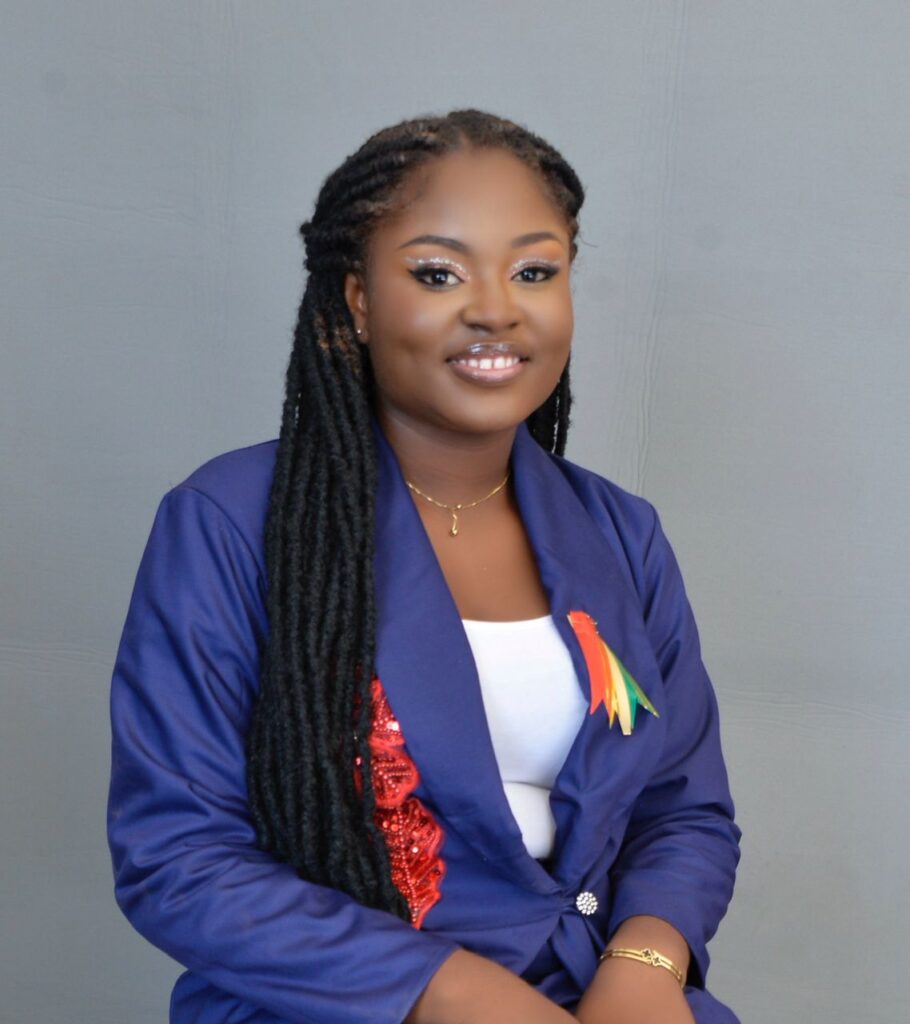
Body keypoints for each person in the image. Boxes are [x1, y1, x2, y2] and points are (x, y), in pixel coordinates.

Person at [108, 109, 740, 1024]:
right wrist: (457, 994)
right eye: (438, 273)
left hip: (596, 988)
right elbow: (179, 858)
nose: (496, 308)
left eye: (534, 271)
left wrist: (646, 962)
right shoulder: (231, 522)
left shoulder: (620, 534)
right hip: (349, 1000)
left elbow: (685, 811)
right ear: (358, 301)